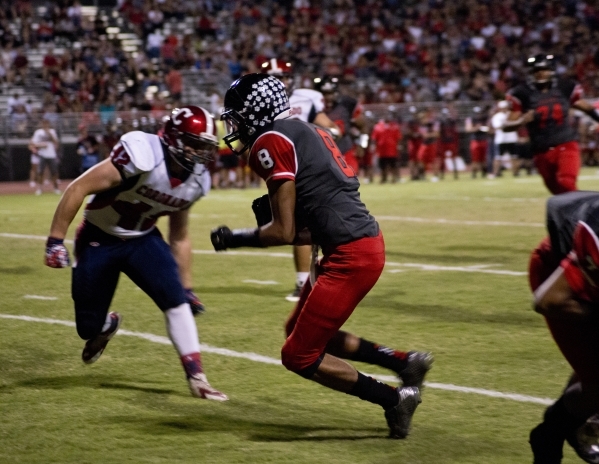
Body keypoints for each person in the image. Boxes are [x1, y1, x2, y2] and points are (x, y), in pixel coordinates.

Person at [212, 73, 432, 439]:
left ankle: (394, 400)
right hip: (351, 243)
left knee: (297, 354)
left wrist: (234, 239)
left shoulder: (271, 140)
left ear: (255, 111)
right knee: (300, 332)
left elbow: (283, 233)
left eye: (236, 115)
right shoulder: (308, 129)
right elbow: (311, 224)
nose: (233, 124)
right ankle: (403, 362)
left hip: (351, 254)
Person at [43, 106, 227, 401]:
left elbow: (179, 235)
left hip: (143, 240)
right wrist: (55, 240)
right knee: (87, 327)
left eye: (205, 146)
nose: (199, 153)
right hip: (98, 239)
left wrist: (188, 287)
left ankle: (197, 377)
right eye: (195, 144)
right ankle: (106, 326)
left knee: (175, 300)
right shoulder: (141, 154)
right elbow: (78, 188)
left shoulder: (196, 180)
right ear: (174, 139)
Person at [528, 191, 599, 463]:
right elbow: (550, 301)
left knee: (591, 371)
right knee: (596, 382)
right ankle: (549, 436)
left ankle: (575, 422)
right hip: (558, 275)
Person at [261, 59, 340, 302]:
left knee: (320, 221)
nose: (283, 81)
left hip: (310, 164)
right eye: (278, 77)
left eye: (285, 76)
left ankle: (318, 280)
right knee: (295, 224)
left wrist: (333, 131)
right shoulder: (259, 102)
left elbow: (327, 124)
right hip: (283, 165)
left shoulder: (307, 97)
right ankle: (303, 282)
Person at [504, 54, 599, 194]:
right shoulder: (522, 93)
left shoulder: (565, 86)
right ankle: (579, 213)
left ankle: (589, 210)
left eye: (544, 69)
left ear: (551, 70)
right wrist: (521, 121)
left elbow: (587, 108)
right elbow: (507, 126)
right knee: (557, 192)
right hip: (541, 151)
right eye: (536, 71)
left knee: (566, 183)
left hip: (566, 144)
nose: (540, 73)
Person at [30, 118, 60, 195]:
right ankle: (40, 189)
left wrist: (49, 133)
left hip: (51, 155)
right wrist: (41, 145)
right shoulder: (38, 132)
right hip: (42, 154)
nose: (45, 125)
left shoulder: (52, 131)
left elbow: (56, 142)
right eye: (44, 123)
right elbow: (33, 143)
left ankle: (56, 188)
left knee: (54, 172)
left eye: (47, 123)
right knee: (40, 172)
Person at [489, 101, 519, 179]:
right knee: (498, 157)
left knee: (514, 157)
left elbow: (518, 125)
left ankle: (516, 173)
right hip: (501, 139)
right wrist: (508, 124)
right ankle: (496, 173)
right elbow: (497, 127)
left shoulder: (512, 114)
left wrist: (509, 124)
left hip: (512, 138)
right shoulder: (497, 116)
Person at [370, 112, 402, 184]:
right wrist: (373, 145)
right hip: (382, 150)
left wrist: (399, 145)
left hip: (392, 149)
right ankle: (384, 178)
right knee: (383, 166)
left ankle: (394, 178)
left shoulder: (395, 126)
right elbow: (374, 138)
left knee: (393, 165)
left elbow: (398, 137)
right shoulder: (378, 127)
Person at [465, 106, 489, 179]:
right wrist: (476, 128)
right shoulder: (471, 119)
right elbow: (468, 129)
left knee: (483, 159)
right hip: (475, 141)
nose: (478, 115)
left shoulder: (485, 119)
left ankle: (484, 173)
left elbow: (489, 128)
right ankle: (474, 174)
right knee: (475, 159)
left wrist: (484, 128)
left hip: (483, 140)